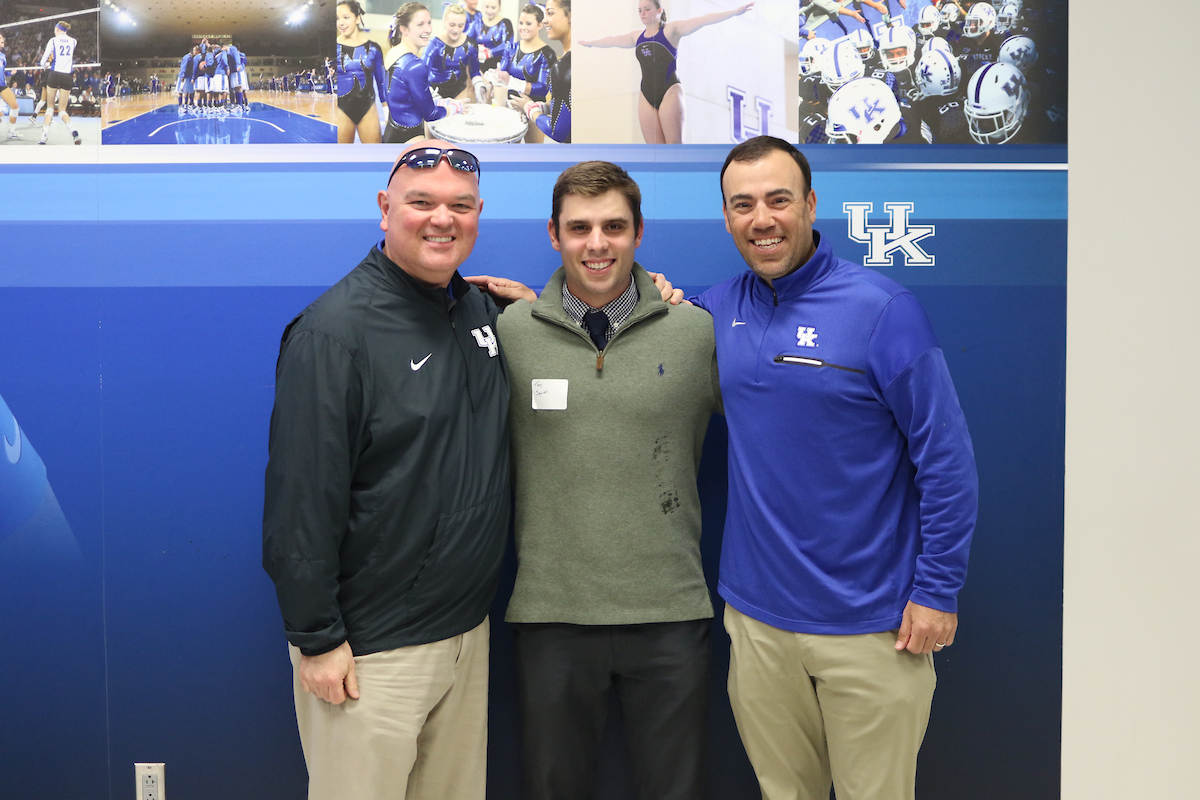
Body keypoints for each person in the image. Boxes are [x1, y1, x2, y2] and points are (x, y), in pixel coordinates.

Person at [691, 136, 977, 800]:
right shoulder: (716, 309)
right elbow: (627, 321)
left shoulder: (883, 309)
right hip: (758, 622)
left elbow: (948, 461)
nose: (761, 219)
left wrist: (938, 590)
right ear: (728, 217)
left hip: (874, 629)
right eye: (743, 205)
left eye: (778, 200)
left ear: (812, 204)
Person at [263, 141, 507, 800]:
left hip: (463, 636)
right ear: (384, 209)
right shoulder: (333, 332)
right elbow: (301, 499)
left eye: (459, 206)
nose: (440, 220)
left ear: (478, 213)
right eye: (421, 203)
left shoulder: (483, 314)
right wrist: (316, 639)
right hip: (369, 652)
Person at [482, 161, 721, 800]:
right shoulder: (509, 332)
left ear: (639, 233)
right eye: (579, 227)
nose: (597, 243)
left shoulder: (696, 332)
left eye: (614, 226)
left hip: (670, 616)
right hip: (552, 616)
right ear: (553, 235)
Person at [579, 1, 753, 144]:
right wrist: (591, 42)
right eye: (640, 10)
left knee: (673, 149)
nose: (642, 13)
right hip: (646, 94)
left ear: (659, 10)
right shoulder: (636, 36)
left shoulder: (671, 30)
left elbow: (702, 20)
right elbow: (613, 40)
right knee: (654, 150)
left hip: (670, 90)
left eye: (647, 9)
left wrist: (733, 12)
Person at [383, 3, 462, 144]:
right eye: (420, 25)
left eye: (429, 23)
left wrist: (441, 101)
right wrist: (454, 108)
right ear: (404, 29)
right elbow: (431, 114)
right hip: (410, 137)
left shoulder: (393, 51)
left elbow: (405, 96)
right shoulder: (415, 66)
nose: (428, 29)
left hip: (392, 131)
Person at [517, 0, 570, 143]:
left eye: (550, 13)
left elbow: (557, 131)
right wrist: (543, 106)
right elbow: (570, 105)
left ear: (570, 16)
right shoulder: (570, 61)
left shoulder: (564, 66)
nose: (545, 20)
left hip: (574, 152)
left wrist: (530, 109)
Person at [334, 0, 386, 143]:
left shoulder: (374, 48)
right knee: (342, 160)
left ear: (357, 18)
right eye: (337, 19)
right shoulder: (334, 48)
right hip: (341, 110)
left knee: (374, 157)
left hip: (367, 109)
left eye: (346, 17)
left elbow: (381, 82)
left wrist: (387, 109)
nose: (341, 23)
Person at [421, 4, 486, 102]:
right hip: (435, 93)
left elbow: (474, 71)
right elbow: (421, 74)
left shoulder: (470, 45)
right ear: (444, 22)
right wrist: (435, 98)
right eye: (452, 25)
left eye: (460, 26)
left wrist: (479, 85)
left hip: (460, 93)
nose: (456, 30)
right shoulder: (434, 45)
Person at [38, 21, 80, 145]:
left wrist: (46, 65)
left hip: (54, 74)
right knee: (62, 109)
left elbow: (42, 62)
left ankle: (44, 135)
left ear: (57, 29)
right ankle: (74, 131)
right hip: (67, 76)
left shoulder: (53, 41)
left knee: (50, 107)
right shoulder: (73, 41)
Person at [476, 0, 513, 72]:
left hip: (499, 66)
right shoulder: (478, 22)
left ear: (499, 7)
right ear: (483, 6)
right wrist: (476, 48)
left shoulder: (505, 23)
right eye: (487, 7)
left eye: (493, 8)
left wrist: (489, 53)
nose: (489, 11)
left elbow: (508, 44)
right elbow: (467, 39)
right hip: (480, 65)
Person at [0, 34, 20, 140]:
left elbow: (2, 72)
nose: (2, 41)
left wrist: (10, 73)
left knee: (15, 107)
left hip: (2, 85)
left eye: (3, 40)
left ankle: (12, 132)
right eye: (1, 40)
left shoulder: (3, 56)